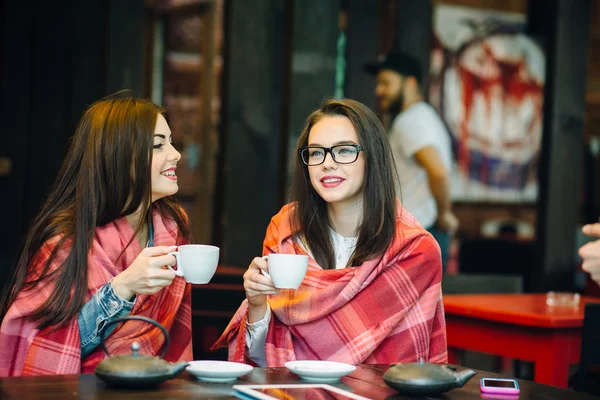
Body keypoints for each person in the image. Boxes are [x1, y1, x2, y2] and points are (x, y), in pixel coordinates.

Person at [213, 99, 447, 367]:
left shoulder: (414, 251)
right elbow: (264, 363)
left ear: (373, 156)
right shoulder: (285, 231)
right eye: (315, 153)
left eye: (344, 151)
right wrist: (257, 306)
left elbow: (408, 367)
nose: (327, 163)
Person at [0, 94, 192, 376]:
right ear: (119, 157)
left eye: (171, 142)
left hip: (155, 386)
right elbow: (40, 346)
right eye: (159, 145)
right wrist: (121, 289)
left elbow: (173, 338)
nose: (175, 154)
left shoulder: (172, 229)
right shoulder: (66, 242)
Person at [364, 52, 458, 270]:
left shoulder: (410, 122)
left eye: (386, 83)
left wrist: (444, 214)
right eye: (378, 83)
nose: (379, 90)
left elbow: (438, 172)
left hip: (414, 236)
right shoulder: (425, 116)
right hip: (423, 232)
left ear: (411, 83)